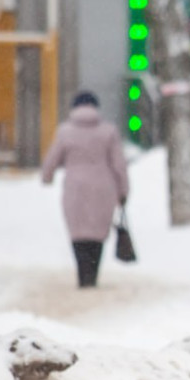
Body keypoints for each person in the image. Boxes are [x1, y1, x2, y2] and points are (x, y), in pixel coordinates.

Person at [40, 90, 130, 288]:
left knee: (78, 232)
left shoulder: (65, 131)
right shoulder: (109, 131)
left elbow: (52, 159)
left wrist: (47, 177)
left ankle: (83, 273)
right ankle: (93, 275)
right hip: (103, 188)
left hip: (75, 188)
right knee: (97, 233)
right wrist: (123, 191)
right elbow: (119, 165)